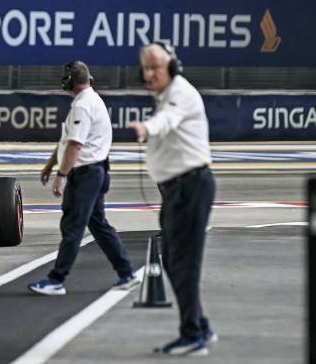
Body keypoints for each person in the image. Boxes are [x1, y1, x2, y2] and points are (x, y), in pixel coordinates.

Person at [127, 42, 217, 357]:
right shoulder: (165, 95)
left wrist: (146, 128)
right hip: (177, 191)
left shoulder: (180, 93)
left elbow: (167, 121)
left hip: (191, 187)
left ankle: (193, 334)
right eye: (146, 68)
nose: (150, 74)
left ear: (173, 67)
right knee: (173, 258)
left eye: (156, 67)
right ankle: (200, 325)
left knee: (184, 263)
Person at [28, 61, 140, 296]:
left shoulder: (83, 106)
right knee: (98, 224)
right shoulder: (89, 101)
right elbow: (67, 142)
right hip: (94, 171)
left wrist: (61, 175)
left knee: (73, 226)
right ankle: (126, 272)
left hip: (86, 174)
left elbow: (76, 146)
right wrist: (50, 164)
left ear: (69, 81)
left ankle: (57, 279)